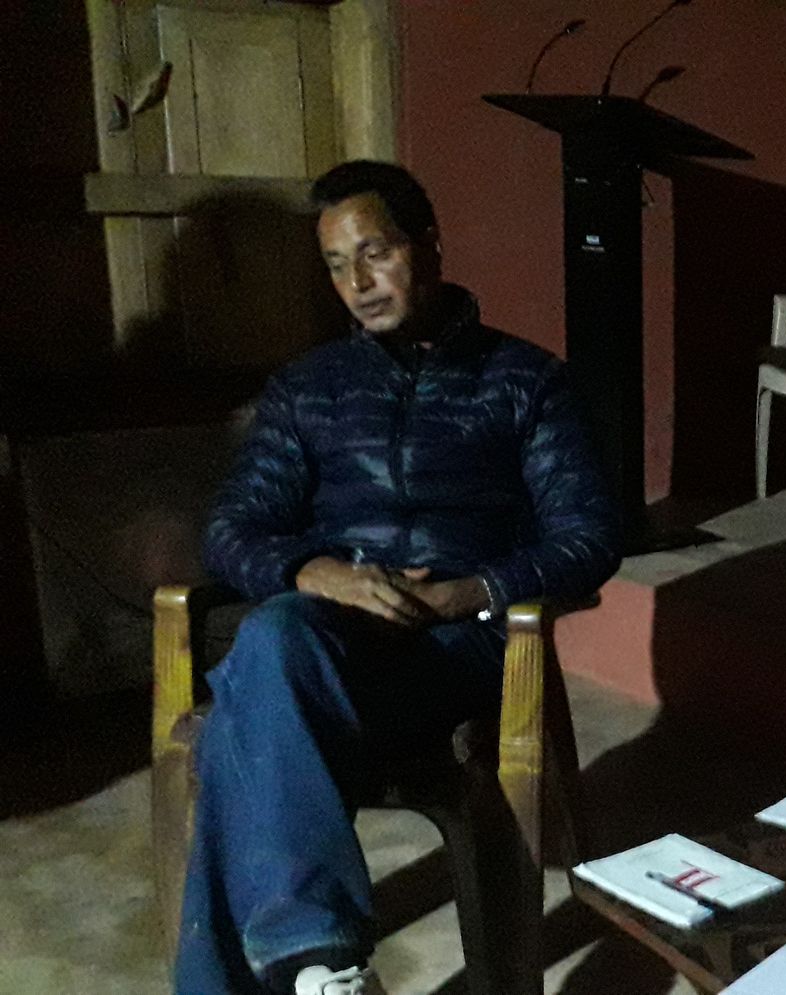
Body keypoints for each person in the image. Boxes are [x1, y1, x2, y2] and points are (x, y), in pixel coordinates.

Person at [175, 160, 621, 995]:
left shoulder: (524, 381)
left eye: (375, 253)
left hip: (459, 645)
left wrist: (465, 591)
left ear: (428, 244)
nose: (358, 284)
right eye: (337, 265)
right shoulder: (308, 389)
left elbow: (590, 534)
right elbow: (231, 529)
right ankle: (325, 968)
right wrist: (319, 574)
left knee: (248, 706)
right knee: (275, 638)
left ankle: (299, 964)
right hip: (330, 639)